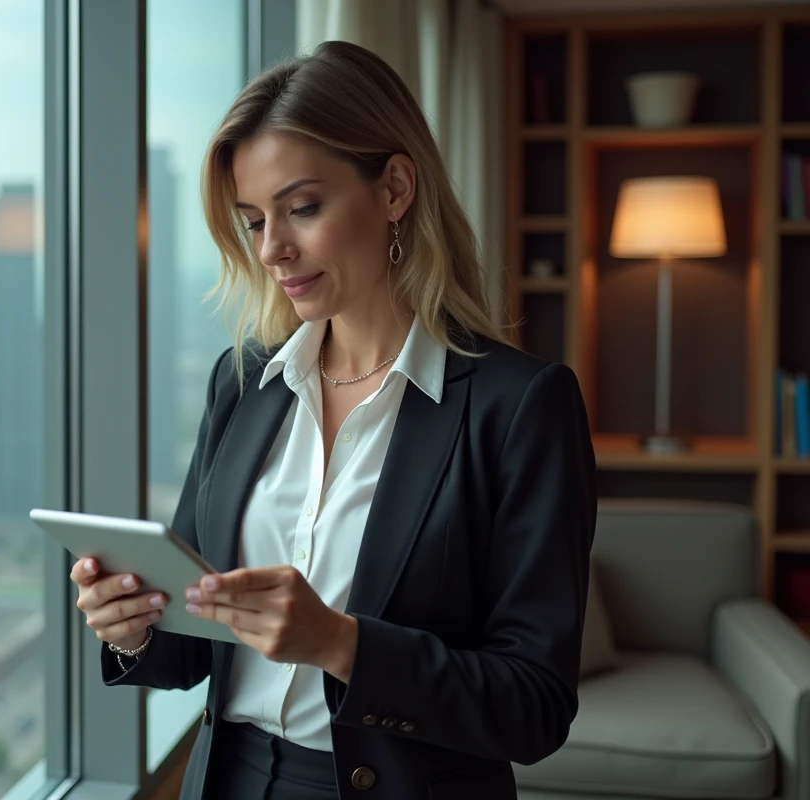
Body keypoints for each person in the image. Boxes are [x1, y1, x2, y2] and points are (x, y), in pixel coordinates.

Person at [71, 39, 597, 800]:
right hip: (227, 782)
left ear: (394, 188)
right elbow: (196, 646)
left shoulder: (520, 407)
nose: (274, 250)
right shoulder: (244, 382)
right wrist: (134, 626)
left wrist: (343, 646)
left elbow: (535, 709)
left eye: (303, 208)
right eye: (253, 221)